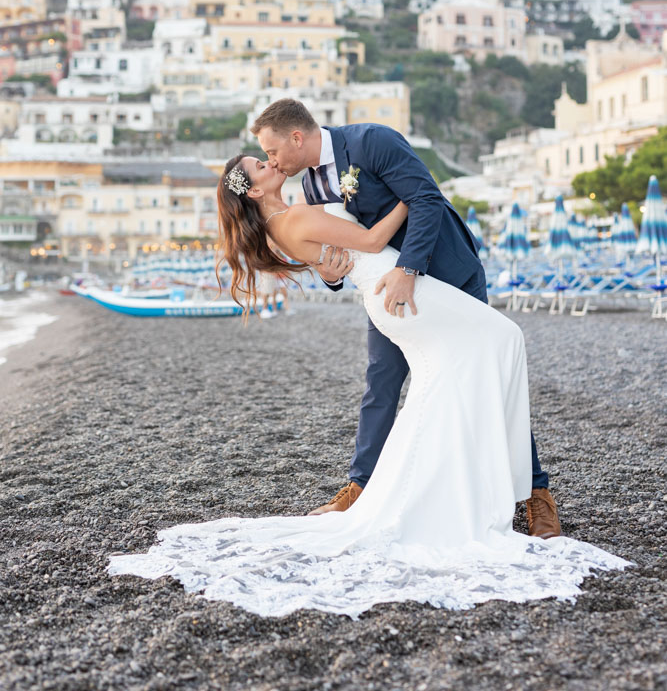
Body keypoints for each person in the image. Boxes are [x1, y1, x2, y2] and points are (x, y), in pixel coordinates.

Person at [108, 150, 627, 618]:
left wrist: (335, 262)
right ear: (255, 188)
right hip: (395, 287)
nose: (270, 162)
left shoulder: (280, 222)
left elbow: (334, 256)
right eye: (261, 165)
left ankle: (462, 483)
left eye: (269, 156)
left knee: (459, 370)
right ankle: (469, 488)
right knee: (500, 339)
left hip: (390, 292)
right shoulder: (292, 215)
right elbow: (374, 240)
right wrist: (413, 195)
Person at [251, 100, 560, 539]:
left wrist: (408, 271)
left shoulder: (371, 141)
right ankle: (362, 487)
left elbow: (426, 199)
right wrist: (328, 273)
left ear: (296, 138)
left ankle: (535, 494)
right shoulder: (309, 189)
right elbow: (337, 250)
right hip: (385, 291)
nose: (271, 161)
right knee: (381, 380)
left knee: (489, 368)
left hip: (446, 273)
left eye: (272, 150)